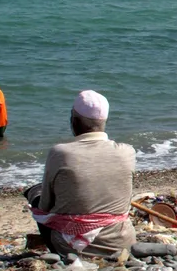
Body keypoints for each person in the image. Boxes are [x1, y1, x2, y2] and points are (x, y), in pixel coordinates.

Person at [24, 90, 136, 257]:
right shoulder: (127, 151)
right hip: (121, 244)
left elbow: (45, 206)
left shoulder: (61, 153)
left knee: (35, 192)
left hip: (71, 247)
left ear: (74, 120)